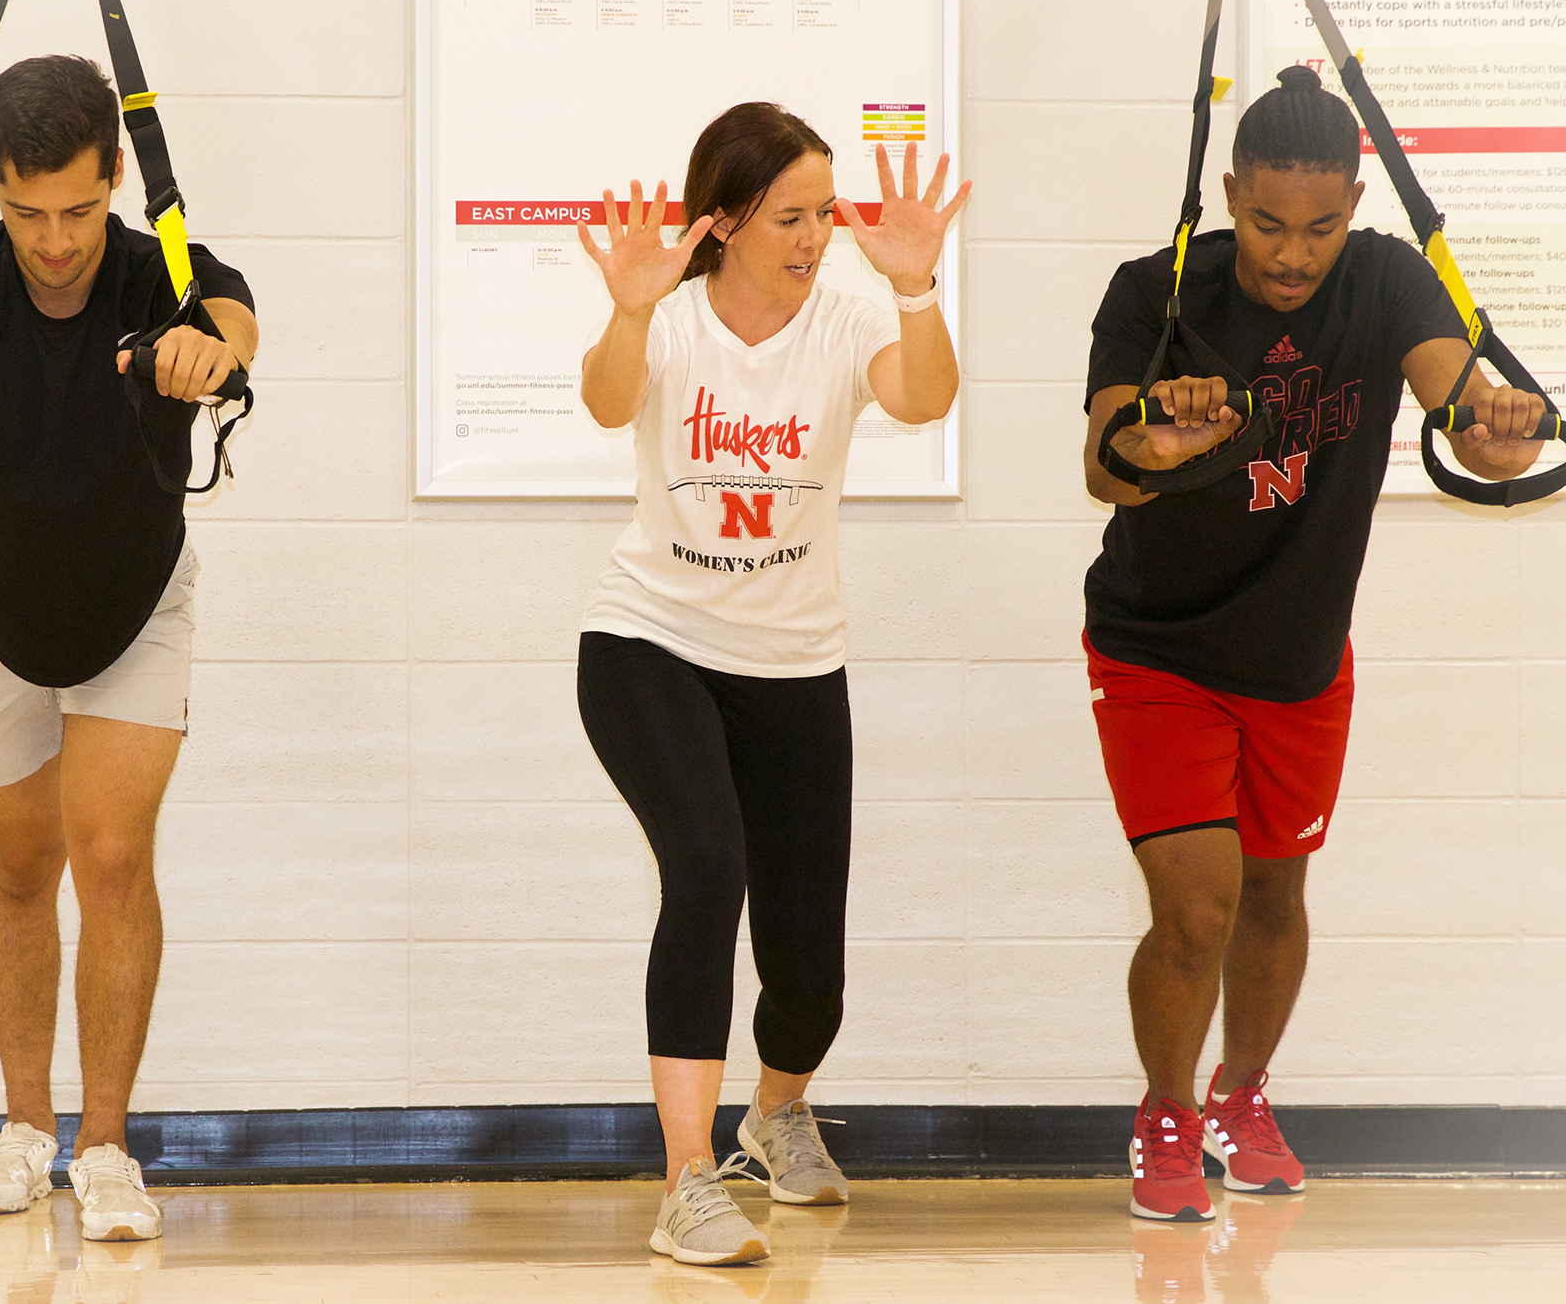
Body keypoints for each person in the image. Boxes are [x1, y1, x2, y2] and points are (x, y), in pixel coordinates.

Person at [1081, 66, 1544, 1223]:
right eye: (1268, 224)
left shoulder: (1384, 279)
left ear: (1352, 205)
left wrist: (1492, 430)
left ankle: (1242, 1095)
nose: (1292, 255)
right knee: (1195, 907)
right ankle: (1165, 1113)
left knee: (1274, 900)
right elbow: (1099, 463)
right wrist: (1158, 445)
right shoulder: (1157, 292)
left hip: (1297, 659)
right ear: (1229, 192)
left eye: (1320, 226)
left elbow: (1467, 424)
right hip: (1158, 652)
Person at [0, 55, 258, 1242]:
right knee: (20, 866)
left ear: (114, 178)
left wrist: (207, 349)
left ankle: (108, 1146)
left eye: (78, 209)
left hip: (134, 602)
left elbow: (233, 314)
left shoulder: (156, 267)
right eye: (29, 212)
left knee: (112, 854)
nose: (57, 240)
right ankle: (26, 1131)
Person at [575, 102, 968, 1266]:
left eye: (821, 215)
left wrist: (912, 286)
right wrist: (629, 304)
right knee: (704, 865)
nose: (810, 235)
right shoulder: (673, 322)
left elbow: (922, 397)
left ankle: (775, 1107)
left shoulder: (846, 324)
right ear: (727, 218)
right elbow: (605, 400)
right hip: (647, 641)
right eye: (787, 215)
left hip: (794, 663)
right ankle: (687, 1180)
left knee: (808, 969)